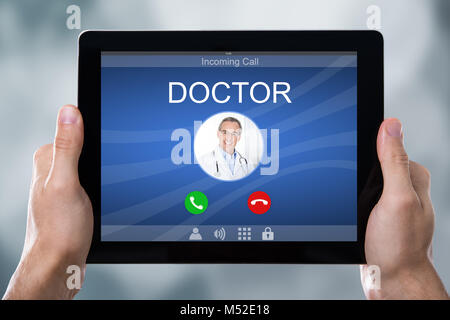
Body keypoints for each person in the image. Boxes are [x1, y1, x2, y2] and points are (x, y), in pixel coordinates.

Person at [2, 105, 449, 300]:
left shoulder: (253, 162)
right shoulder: (210, 162)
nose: (232, 137)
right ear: (217, 136)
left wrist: (49, 260)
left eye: (237, 132)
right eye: (226, 132)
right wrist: (407, 278)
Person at [199, 117, 254, 181]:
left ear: (239, 137)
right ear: (218, 134)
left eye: (234, 133)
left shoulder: (247, 163)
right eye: (225, 132)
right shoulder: (203, 162)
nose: (229, 137)